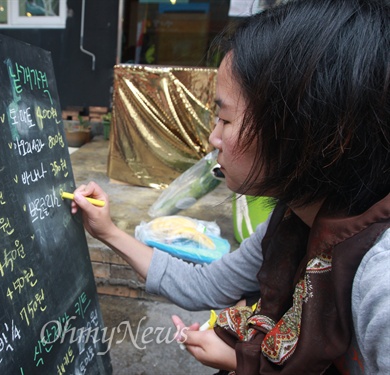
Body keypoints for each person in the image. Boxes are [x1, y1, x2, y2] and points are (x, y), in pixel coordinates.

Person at [69, 0, 390, 373]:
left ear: (304, 128)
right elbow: (207, 285)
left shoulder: (378, 280)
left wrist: (242, 363)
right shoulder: (294, 221)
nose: (212, 138)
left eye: (224, 118)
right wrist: (107, 230)